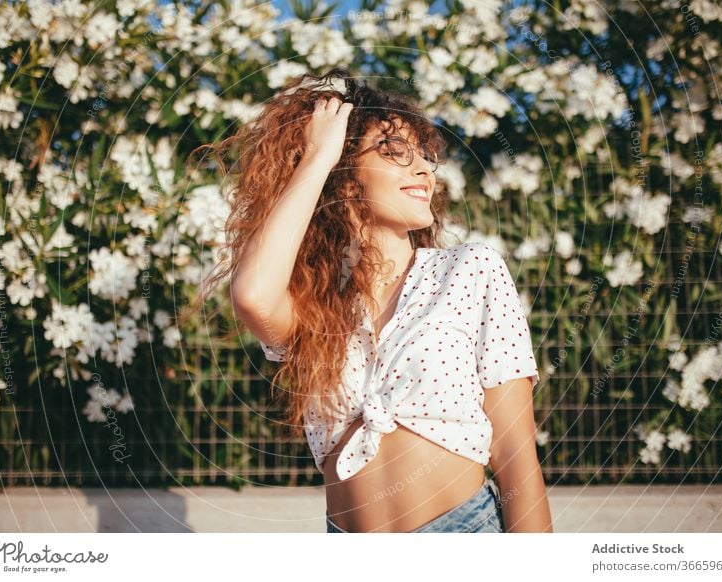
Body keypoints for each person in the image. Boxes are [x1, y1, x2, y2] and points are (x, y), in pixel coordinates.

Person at [185, 67, 553, 533]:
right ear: (345, 177)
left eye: (425, 156)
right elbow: (253, 296)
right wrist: (319, 158)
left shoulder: (470, 269)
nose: (423, 168)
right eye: (395, 153)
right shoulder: (314, 302)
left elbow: (516, 455)